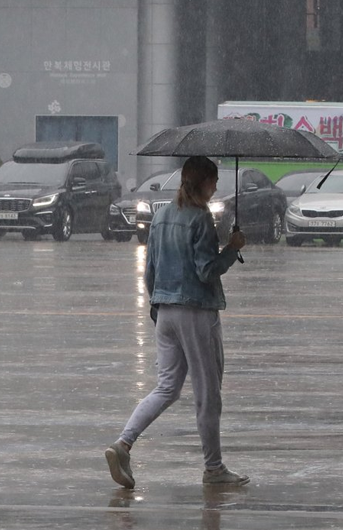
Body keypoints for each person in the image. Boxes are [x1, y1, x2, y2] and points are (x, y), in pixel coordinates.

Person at [104, 156, 249, 489]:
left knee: (167, 388)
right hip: (196, 313)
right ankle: (214, 469)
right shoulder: (200, 219)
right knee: (208, 394)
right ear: (203, 183)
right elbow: (205, 270)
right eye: (213, 181)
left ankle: (123, 443)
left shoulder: (163, 215)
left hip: (165, 311)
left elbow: (150, 271)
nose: (216, 187)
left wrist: (158, 311)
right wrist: (231, 249)